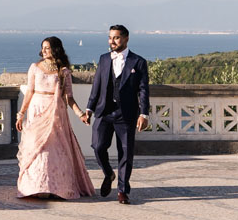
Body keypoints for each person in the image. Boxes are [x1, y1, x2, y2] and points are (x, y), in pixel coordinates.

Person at [16, 37, 97, 200]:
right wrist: (21, 114)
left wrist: (80, 114)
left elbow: (69, 98)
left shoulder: (63, 71)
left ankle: (55, 187)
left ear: (56, 49)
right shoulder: (34, 68)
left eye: (48, 48)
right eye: (43, 48)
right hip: (36, 111)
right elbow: (29, 92)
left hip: (55, 114)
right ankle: (35, 187)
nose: (44, 51)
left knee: (52, 152)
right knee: (36, 149)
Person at [86, 24, 149, 204]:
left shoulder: (138, 62)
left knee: (126, 153)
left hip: (126, 114)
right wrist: (89, 109)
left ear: (126, 38)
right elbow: (96, 85)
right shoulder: (104, 59)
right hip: (104, 112)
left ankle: (123, 190)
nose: (112, 41)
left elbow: (143, 90)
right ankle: (108, 173)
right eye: (110, 37)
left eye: (116, 38)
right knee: (97, 146)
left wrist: (144, 114)